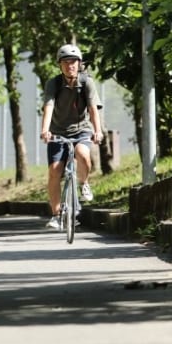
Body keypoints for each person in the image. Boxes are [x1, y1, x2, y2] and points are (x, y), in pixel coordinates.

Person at [40, 44, 104, 230]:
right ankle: (56, 215)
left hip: (82, 130)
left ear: (79, 63)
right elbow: (49, 107)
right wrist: (45, 130)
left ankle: (84, 183)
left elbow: (93, 109)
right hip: (57, 132)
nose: (70, 65)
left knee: (82, 154)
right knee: (54, 169)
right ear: (60, 65)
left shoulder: (86, 82)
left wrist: (97, 131)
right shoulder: (54, 83)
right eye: (66, 62)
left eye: (74, 62)